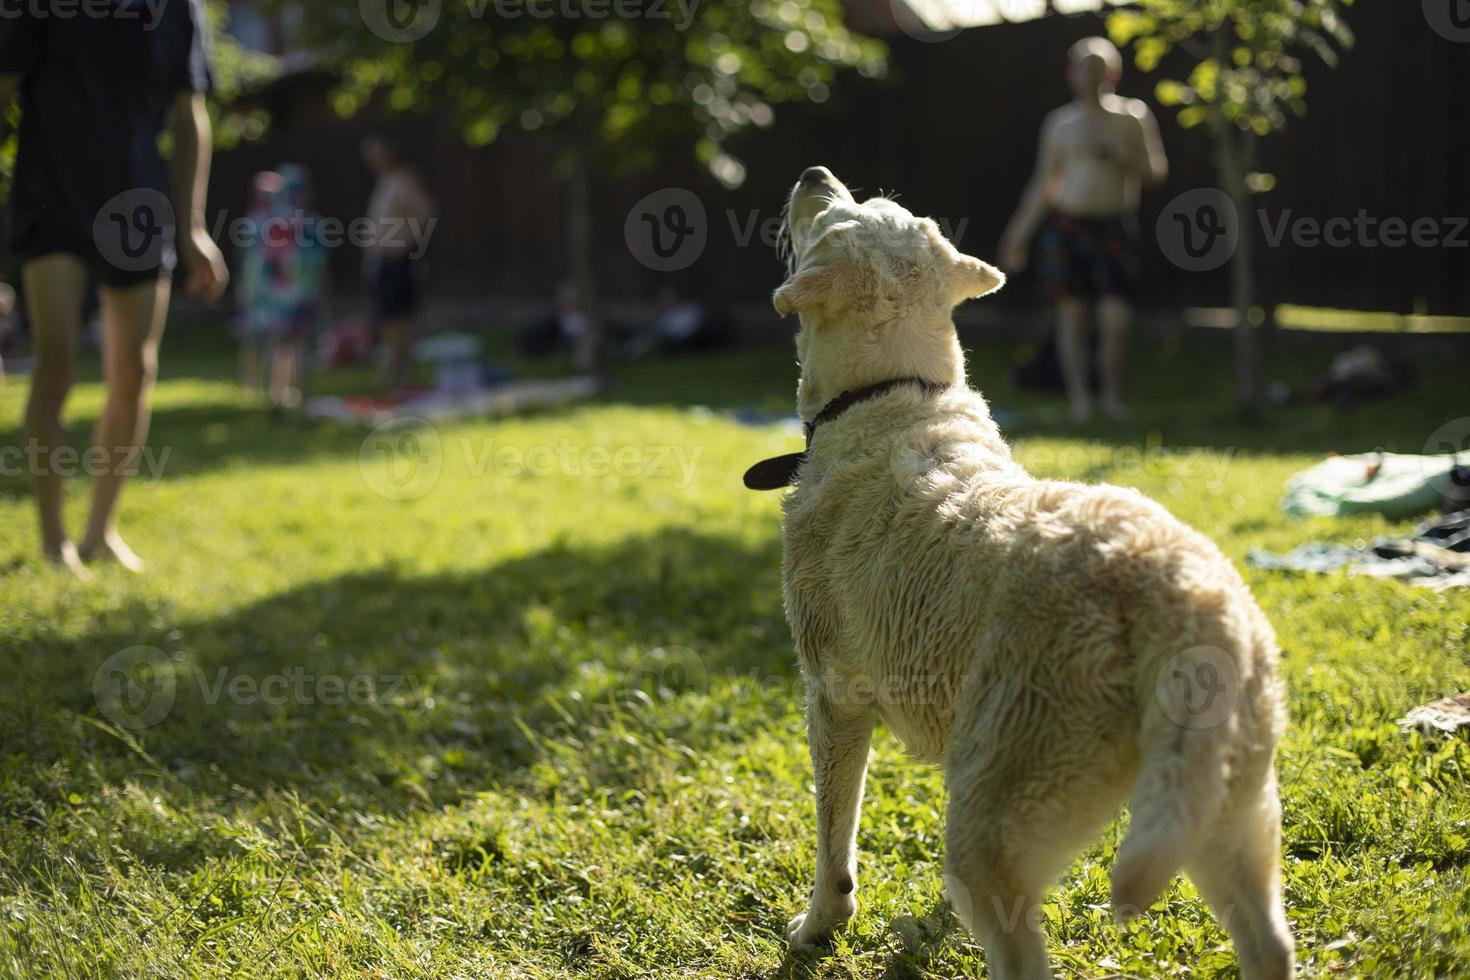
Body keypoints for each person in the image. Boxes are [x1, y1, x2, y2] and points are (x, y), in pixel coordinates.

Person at [0, 0, 229, 577]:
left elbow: (189, 114)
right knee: (55, 362)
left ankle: (101, 532)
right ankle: (55, 542)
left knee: (135, 371)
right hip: (51, 195)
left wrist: (194, 225)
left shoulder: (178, 9)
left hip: (139, 204)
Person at [998, 36, 1168, 423]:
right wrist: (1018, 235)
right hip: (1068, 227)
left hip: (1113, 227)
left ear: (1114, 72)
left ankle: (1110, 396)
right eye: (1084, 67)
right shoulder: (1061, 123)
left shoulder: (1132, 116)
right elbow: (1044, 185)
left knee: (1116, 320)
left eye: (1099, 67)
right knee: (1070, 318)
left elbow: (1156, 173)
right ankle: (1080, 402)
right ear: (1071, 74)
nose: (1092, 75)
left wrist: (1126, 159)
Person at [236, 165, 328, 410]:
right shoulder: (308, 222)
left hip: (274, 293)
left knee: (276, 343)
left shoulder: (267, 221)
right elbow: (319, 260)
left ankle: (275, 394)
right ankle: (300, 393)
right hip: (299, 293)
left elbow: (259, 261)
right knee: (298, 344)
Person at [361, 136, 434, 391]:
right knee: (387, 318)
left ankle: (401, 373)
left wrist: (406, 243)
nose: (371, 160)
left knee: (398, 319)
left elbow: (424, 212)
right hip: (382, 261)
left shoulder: (403, 180)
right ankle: (393, 371)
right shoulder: (385, 182)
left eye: (376, 153)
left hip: (396, 260)